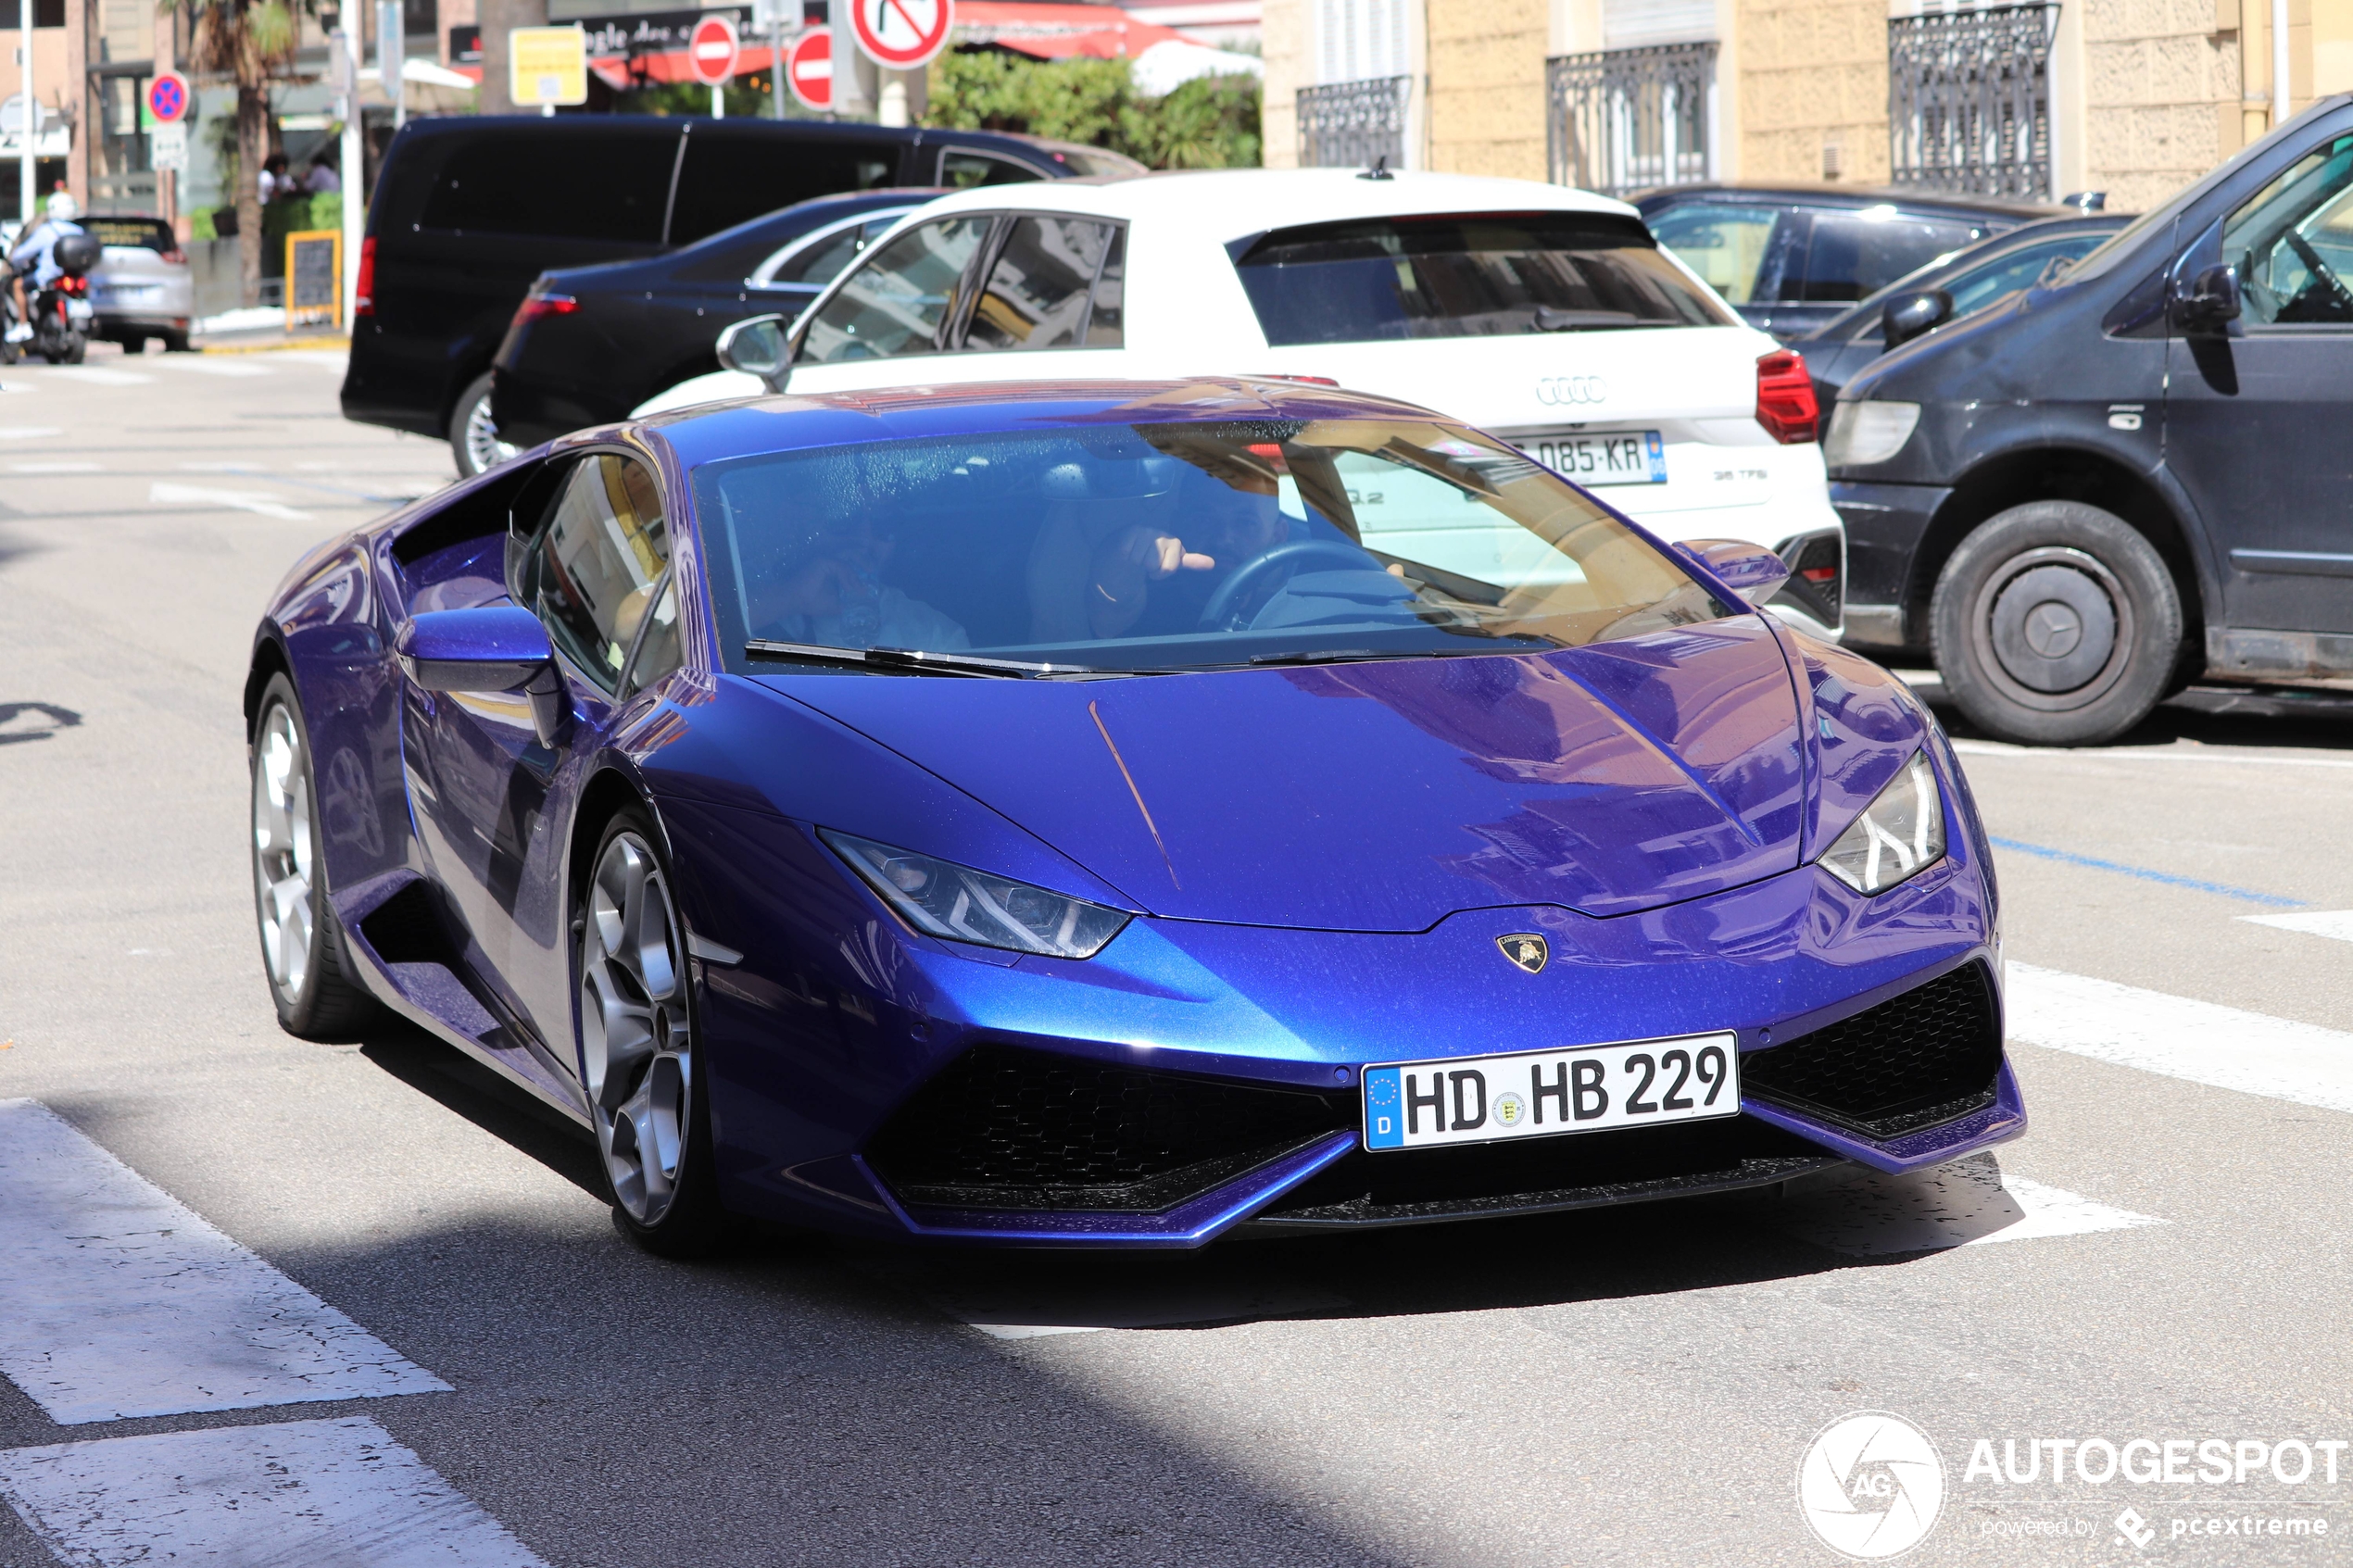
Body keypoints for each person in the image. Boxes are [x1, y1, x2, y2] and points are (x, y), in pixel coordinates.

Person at [746, 504, 969, 652]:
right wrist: (790, 599)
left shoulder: (933, 635)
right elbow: (712, 647)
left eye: (883, 527)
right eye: (844, 520)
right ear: (813, 530)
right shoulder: (764, 603)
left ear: (897, 542)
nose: (864, 540)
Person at [6, 192, 82, 345]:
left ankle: (23, 325)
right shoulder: (78, 230)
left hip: (48, 276)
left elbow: (23, 253)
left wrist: (13, 258)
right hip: (72, 277)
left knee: (17, 285)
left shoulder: (47, 230)